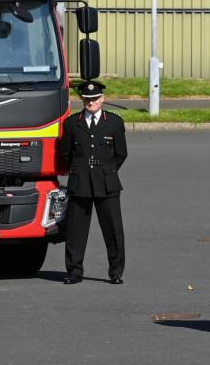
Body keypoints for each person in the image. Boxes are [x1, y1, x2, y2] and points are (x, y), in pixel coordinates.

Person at [62, 80, 128, 285]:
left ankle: (116, 272)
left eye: (95, 99)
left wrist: (106, 171)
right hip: (80, 181)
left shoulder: (114, 122)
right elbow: (66, 153)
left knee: (113, 229)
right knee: (75, 230)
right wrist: (80, 170)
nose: (92, 103)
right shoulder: (73, 123)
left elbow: (121, 153)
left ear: (103, 99)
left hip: (106, 182)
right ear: (82, 100)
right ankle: (74, 271)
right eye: (88, 99)